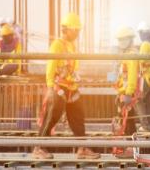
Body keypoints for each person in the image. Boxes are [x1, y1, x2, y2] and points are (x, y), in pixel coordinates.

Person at [33, 13, 100, 160]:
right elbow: (50, 67)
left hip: (70, 87)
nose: (77, 33)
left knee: (77, 116)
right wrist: (52, 87)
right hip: (59, 87)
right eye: (75, 30)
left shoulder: (71, 46)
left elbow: (72, 68)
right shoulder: (57, 45)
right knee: (52, 117)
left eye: (78, 30)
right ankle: (38, 148)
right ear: (67, 29)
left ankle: (82, 148)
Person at [113, 26, 140, 158]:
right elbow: (122, 76)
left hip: (127, 94)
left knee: (128, 122)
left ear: (130, 40)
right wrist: (120, 92)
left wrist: (128, 94)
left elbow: (132, 77)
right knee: (127, 121)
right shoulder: (125, 55)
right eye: (120, 40)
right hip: (123, 93)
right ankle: (131, 148)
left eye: (124, 39)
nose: (121, 42)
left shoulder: (131, 55)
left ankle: (131, 149)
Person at [136, 21, 150, 132]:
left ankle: (145, 126)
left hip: (146, 77)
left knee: (138, 100)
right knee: (149, 102)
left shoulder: (145, 44)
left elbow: (141, 60)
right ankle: (149, 126)